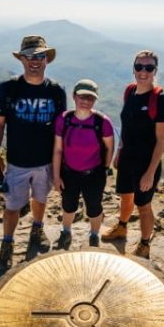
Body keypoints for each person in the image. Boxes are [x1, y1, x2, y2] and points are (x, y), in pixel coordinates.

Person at [0, 35, 66, 269]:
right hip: (17, 162)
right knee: (12, 206)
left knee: (40, 200)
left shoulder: (56, 91)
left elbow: (60, 130)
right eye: (30, 56)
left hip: (45, 162)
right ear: (22, 59)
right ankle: (8, 243)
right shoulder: (8, 88)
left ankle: (36, 230)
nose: (35, 61)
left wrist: (58, 165)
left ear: (47, 60)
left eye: (40, 56)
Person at [101, 50, 164, 259]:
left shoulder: (160, 101)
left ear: (155, 71)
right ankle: (122, 227)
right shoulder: (130, 93)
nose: (143, 72)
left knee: (144, 205)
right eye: (139, 67)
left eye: (149, 68)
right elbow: (127, 126)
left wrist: (150, 173)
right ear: (133, 69)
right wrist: (118, 153)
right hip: (127, 159)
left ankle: (145, 244)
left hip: (146, 163)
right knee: (125, 196)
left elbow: (161, 141)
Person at [53, 79, 114, 249]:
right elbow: (58, 149)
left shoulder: (102, 122)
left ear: (95, 100)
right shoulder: (64, 119)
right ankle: (66, 230)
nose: (86, 101)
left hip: (93, 174)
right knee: (68, 204)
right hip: (68, 172)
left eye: (90, 98)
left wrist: (105, 169)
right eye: (82, 97)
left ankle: (94, 234)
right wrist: (56, 176)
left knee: (94, 207)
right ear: (74, 96)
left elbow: (110, 147)